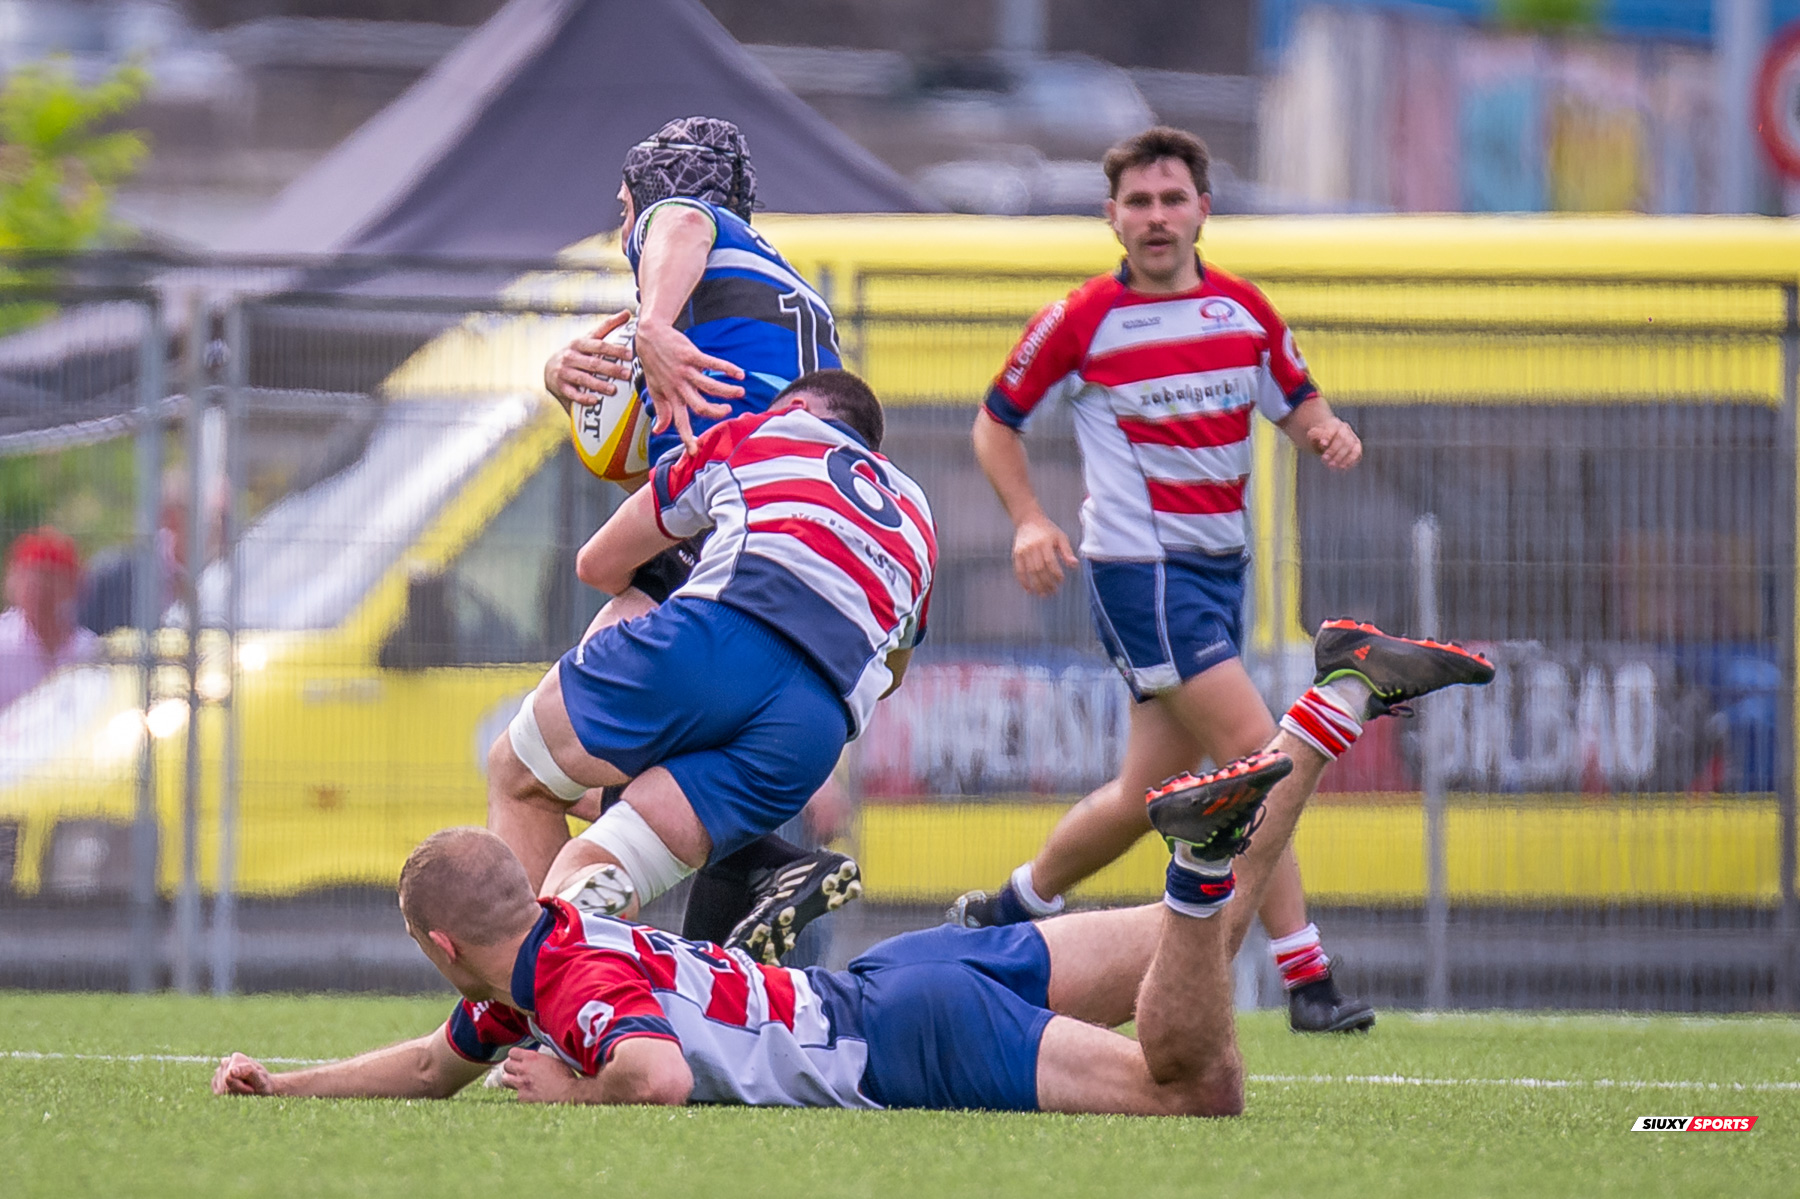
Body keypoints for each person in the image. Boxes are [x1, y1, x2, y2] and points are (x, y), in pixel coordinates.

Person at [212, 625, 1488, 1113]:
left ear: (442, 943)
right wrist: (288, 1084)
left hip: (908, 1042)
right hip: (905, 968)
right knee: (1186, 964)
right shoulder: (537, 960)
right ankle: (1319, 721)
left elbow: (647, 1073)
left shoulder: (566, 991)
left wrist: (576, 1096)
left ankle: (1209, 866)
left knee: (1197, 1088)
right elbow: (437, 1064)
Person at [953, 125, 1385, 1033]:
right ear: (1112, 217)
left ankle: (1010, 909)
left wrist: (1325, 430)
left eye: (1172, 199)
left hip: (1219, 571)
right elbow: (995, 425)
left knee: (1142, 790)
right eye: (1139, 203)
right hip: (1139, 576)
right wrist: (1031, 518)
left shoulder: (1244, 311)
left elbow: (1297, 400)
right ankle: (1307, 978)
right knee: (1259, 751)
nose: (1156, 217)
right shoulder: (1080, 319)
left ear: (1203, 210)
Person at [534, 116, 856, 959]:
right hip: (800, 558)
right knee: (658, 800)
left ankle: (550, 1002)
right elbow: (643, 438)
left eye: (621, 209)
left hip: (722, 532)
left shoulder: (678, 243)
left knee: (538, 765)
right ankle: (754, 897)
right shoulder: (781, 293)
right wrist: (560, 377)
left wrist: (651, 322)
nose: (622, 230)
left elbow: (677, 220)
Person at [485, 371, 935, 968]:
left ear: (796, 407)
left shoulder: (755, 433)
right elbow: (894, 673)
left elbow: (596, 563)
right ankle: (598, 914)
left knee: (518, 773)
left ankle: (534, 1019)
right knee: (609, 860)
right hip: (811, 730)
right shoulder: (918, 517)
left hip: (716, 640)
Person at [1, 527, 100, 710]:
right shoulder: (4, 643)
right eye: (29, 576)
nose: (38, 588)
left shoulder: (89, 651)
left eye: (50, 577)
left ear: (73, 585)